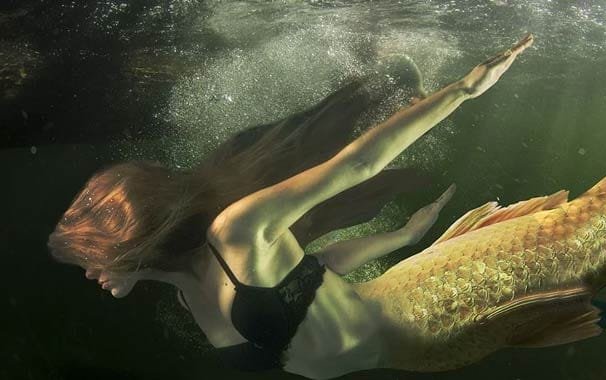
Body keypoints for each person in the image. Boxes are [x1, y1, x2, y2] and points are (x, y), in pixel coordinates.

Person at [48, 34, 534, 379]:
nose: (90, 272)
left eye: (89, 258)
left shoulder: (236, 232)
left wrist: (465, 90)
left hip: (419, 327)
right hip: (394, 361)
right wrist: (401, 238)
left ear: (129, 239)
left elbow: (357, 164)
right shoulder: (184, 294)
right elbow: (310, 272)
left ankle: (382, 68)